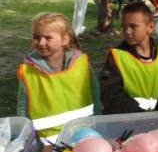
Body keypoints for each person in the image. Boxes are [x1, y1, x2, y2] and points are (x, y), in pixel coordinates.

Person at [17, 12, 101, 143]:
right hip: (48, 143)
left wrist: (99, 123)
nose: (41, 42)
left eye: (47, 37)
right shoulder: (28, 71)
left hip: (85, 135)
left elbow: (95, 94)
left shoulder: (81, 64)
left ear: (64, 40)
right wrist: (24, 137)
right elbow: (22, 107)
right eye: (36, 37)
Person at [100, 1, 158, 114]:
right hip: (125, 122)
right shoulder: (115, 56)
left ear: (150, 27)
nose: (127, 31)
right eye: (124, 26)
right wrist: (139, 115)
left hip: (155, 120)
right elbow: (110, 92)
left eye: (133, 26)